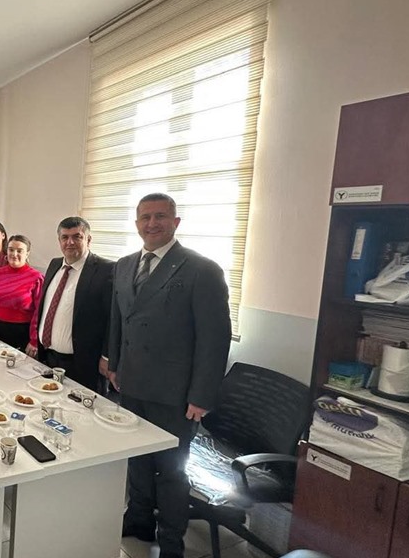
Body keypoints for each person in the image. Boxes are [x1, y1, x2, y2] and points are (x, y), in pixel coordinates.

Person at [108, 193, 231, 558]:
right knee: (138, 461)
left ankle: (172, 541)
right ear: (136, 224)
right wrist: (113, 364)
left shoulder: (201, 270)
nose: (152, 223)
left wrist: (201, 396)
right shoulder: (125, 265)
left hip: (174, 394)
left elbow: (214, 339)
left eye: (160, 216)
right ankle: (139, 520)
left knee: (171, 471)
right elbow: (119, 320)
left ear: (176, 222)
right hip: (132, 383)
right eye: (145, 217)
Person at [36, 216, 114, 393]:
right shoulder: (55, 264)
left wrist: (107, 356)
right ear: (59, 241)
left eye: (77, 237)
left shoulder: (106, 270)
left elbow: (113, 318)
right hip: (48, 358)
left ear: (88, 239)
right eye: (65, 237)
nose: (70, 242)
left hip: (83, 364)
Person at [0, 235, 43, 352]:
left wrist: (34, 340)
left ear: (27, 254)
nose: (14, 254)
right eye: (11, 250)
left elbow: (39, 312)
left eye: (19, 251)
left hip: (23, 334)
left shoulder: (37, 278)